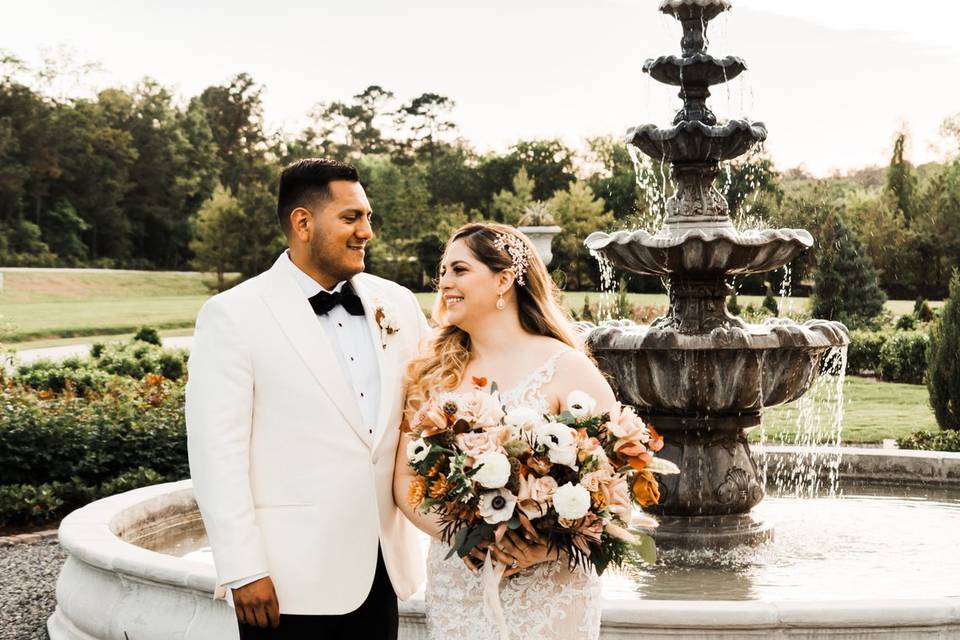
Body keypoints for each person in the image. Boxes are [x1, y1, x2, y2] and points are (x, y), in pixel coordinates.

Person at [186, 158, 429, 639]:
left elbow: (434, 408)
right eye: (351, 218)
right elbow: (217, 454)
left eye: (368, 217)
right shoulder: (233, 316)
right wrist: (242, 568)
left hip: (382, 569)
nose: (367, 231)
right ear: (303, 223)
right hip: (285, 580)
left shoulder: (395, 303)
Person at [394, 222, 618, 640]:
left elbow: (618, 490)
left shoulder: (565, 366)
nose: (444, 282)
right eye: (442, 271)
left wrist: (550, 545)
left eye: (459, 270)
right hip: (461, 582)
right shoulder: (432, 373)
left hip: (549, 586)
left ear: (503, 279)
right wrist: (461, 533)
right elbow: (405, 481)